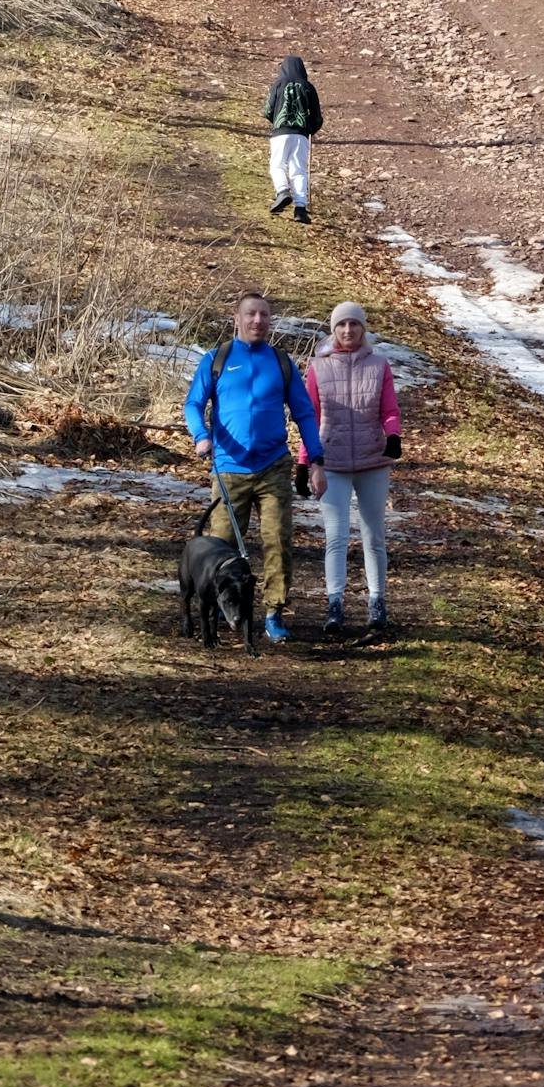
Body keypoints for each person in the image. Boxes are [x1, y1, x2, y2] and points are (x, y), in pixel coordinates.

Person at [186, 290, 323, 646]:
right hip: (229, 468)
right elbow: (193, 404)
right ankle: (222, 605)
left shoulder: (280, 362)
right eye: (250, 314)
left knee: (277, 539)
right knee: (221, 545)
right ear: (237, 318)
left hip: (273, 466)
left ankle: (274, 611)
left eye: (264, 314)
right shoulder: (217, 359)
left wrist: (316, 459)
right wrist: (201, 436)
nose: (258, 321)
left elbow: (304, 413)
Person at [301, 301, 402, 638]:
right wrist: (305, 462)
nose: (348, 330)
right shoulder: (318, 367)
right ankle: (335, 604)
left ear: (363, 328)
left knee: (374, 535)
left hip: (373, 460)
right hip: (332, 461)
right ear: (333, 329)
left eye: (354, 324)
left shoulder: (379, 365)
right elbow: (309, 418)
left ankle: (377, 601)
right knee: (337, 536)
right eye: (342, 325)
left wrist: (393, 436)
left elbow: (389, 410)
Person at [263, 55, 323, 225]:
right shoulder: (308, 87)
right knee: (298, 170)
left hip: (280, 133)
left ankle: (283, 192)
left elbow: (267, 110)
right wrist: (310, 129)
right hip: (301, 134)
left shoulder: (278, 85)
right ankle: (300, 208)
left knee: (277, 165)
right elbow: (317, 117)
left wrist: (276, 121)